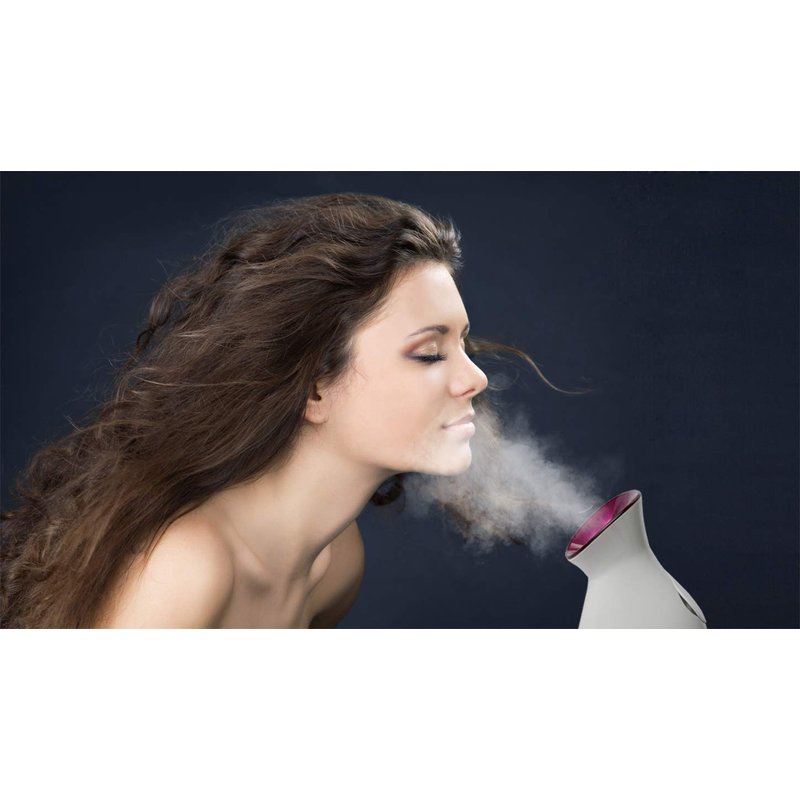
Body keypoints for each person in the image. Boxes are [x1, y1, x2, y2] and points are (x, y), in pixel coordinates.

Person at [1, 192, 576, 628]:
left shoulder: (334, 564)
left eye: (464, 345)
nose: (475, 377)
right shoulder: (187, 565)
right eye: (429, 353)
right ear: (314, 388)